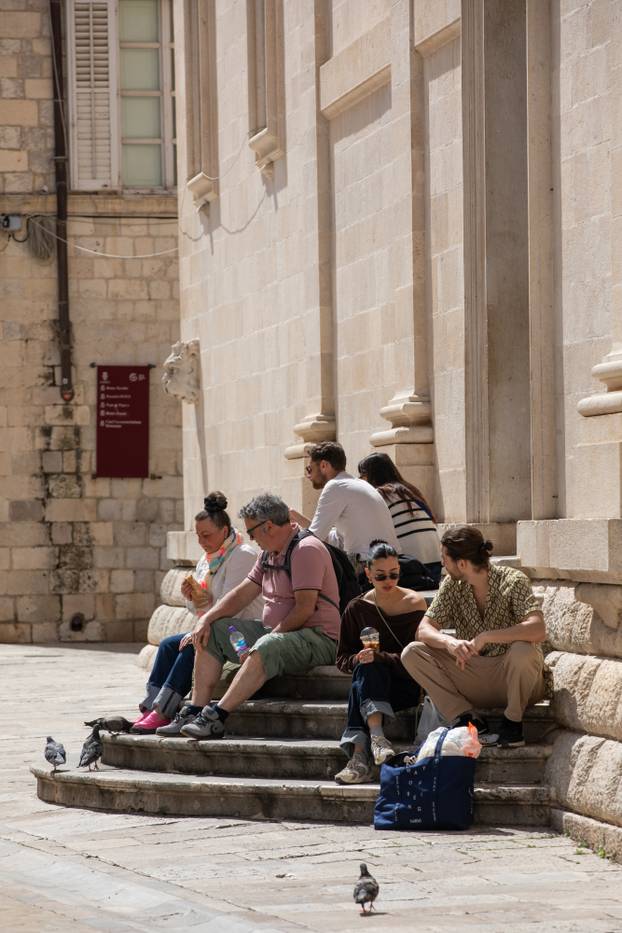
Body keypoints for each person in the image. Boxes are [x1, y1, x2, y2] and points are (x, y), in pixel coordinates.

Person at [179, 493, 340, 740]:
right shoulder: (268, 553)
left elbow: (304, 609)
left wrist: (264, 641)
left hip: (317, 638)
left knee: (267, 644)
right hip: (276, 634)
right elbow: (242, 593)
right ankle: (195, 710)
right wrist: (206, 619)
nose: (252, 539)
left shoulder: (306, 549)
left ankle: (216, 717)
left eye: (252, 533)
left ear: (269, 526)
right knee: (214, 630)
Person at [401, 526, 546, 748]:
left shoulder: (513, 580)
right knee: (412, 652)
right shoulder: (451, 585)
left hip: (514, 679)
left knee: (524, 650)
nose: (442, 564)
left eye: (444, 558)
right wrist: (449, 642)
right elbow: (423, 630)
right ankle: (467, 718)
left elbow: (538, 629)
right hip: (471, 672)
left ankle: (512, 724)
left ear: (462, 564)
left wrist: (487, 637)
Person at [131, 492, 263, 735]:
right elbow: (202, 607)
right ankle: (150, 707)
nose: (202, 541)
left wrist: (199, 626)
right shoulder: (207, 558)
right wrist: (191, 597)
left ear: (225, 531)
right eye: (198, 536)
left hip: (240, 633)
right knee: (169, 645)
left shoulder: (242, 555)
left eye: (207, 535)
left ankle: (164, 711)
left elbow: (233, 605)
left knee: (195, 644)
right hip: (215, 624)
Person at [334, 541, 426, 784]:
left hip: (405, 684)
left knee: (362, 681)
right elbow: (342, 659)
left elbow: (419, 656)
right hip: (372, 684)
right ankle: (377, 738)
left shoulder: (415, 602)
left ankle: (359, 758)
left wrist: (379, 657)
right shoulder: (356, 608)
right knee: (366, 669)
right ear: (368, 574)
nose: (388, 581)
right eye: (381, 576)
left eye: (394, 574)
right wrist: (358, 658)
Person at [289, 441, 399, 563]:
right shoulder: (357, 484)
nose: (308, 476)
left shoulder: (335, 486)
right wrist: (296, 516)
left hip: (367, 565)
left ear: (324, 465)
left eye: (310, 469)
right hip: (391, 563)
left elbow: (314, 539)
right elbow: (335, 540)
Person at [357, 451, 441, 585]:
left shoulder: (379, 495)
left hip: (410, 569)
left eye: (362, 475)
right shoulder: (409, 490)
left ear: (371, 475)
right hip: (435, 569)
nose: (361, 480)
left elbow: (365, 533)